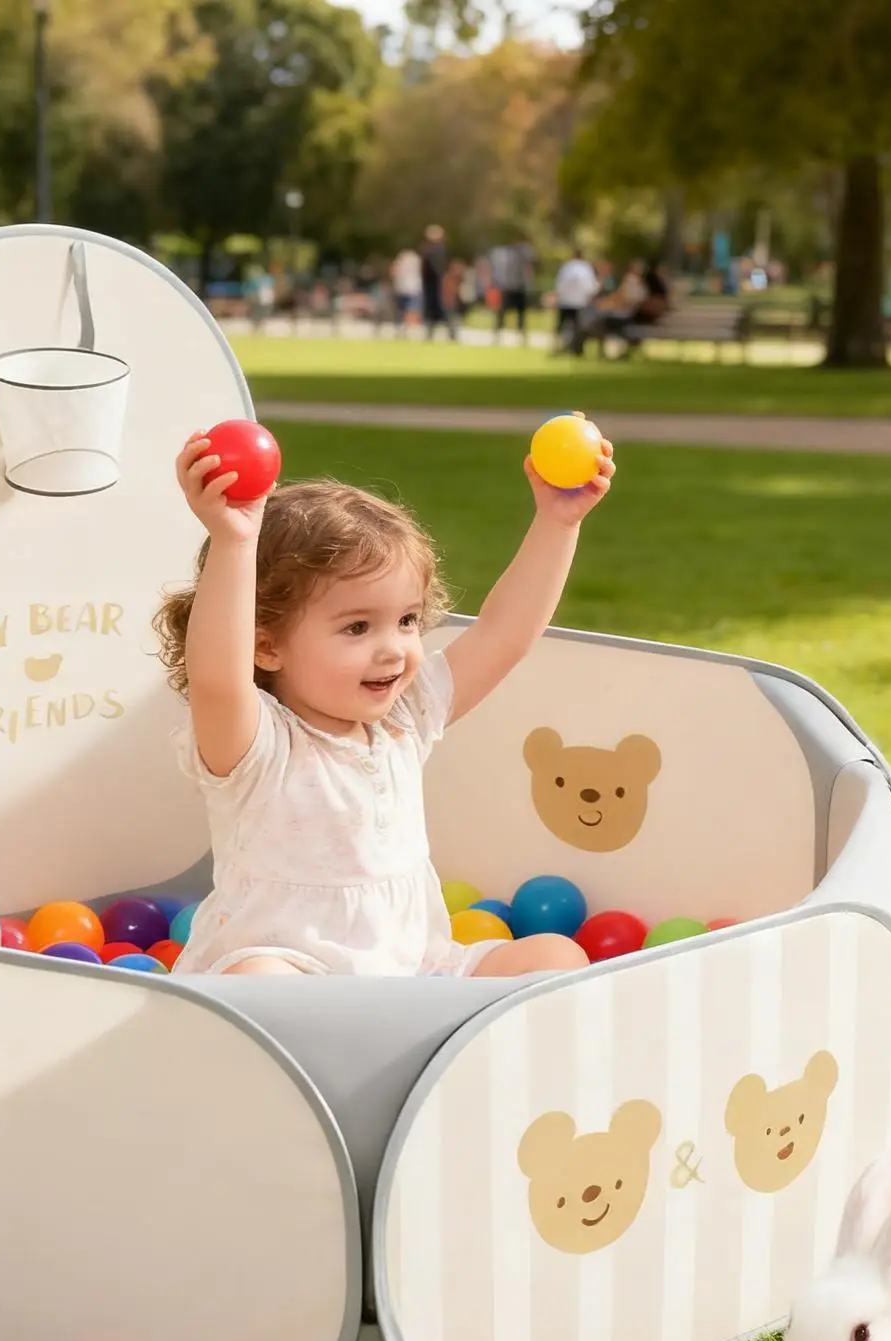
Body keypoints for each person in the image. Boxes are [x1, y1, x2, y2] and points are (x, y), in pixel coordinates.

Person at [153, 427, 615, 978]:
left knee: (557, 956)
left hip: (415, 969)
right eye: (357, 627)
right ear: (266, 645)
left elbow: (502, 636)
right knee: (260, 980)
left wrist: (558, 523)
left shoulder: (405, 718)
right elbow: (217, 680)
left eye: (407, 620)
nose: (393, 649)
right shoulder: (257, 745)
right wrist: (234, 542)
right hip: (299, 971)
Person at [552, 250, 600, 347]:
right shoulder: (586, 268)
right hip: (581, 303)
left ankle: (559, 346)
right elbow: (591, 287)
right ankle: (576, 346)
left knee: (562, 326)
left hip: (565, 301)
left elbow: (559, 284)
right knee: (578, 327)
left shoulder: (566, 267)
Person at [489, 239, 532, 339]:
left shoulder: (522, 254)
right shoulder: (504, 255)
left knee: (520, 313)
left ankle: (521, 332)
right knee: (502, 312)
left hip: (519, 287)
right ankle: (497, 332)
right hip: (508, 287)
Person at [419, 224, 454, 340]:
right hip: (432, 285)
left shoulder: (435, 251)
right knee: (435, 310)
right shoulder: (435, 250)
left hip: (435, 285)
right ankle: (432, 333)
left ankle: (450, 332)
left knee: (440, 309)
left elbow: (438, 269)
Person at [390, 244, 422, 334]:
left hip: (402, 288)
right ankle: (409, 328)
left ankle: (403, 328)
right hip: (413, 288)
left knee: (402, 310)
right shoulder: (416, 260)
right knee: (412, 309)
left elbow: (393, 272)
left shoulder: (400, 260)